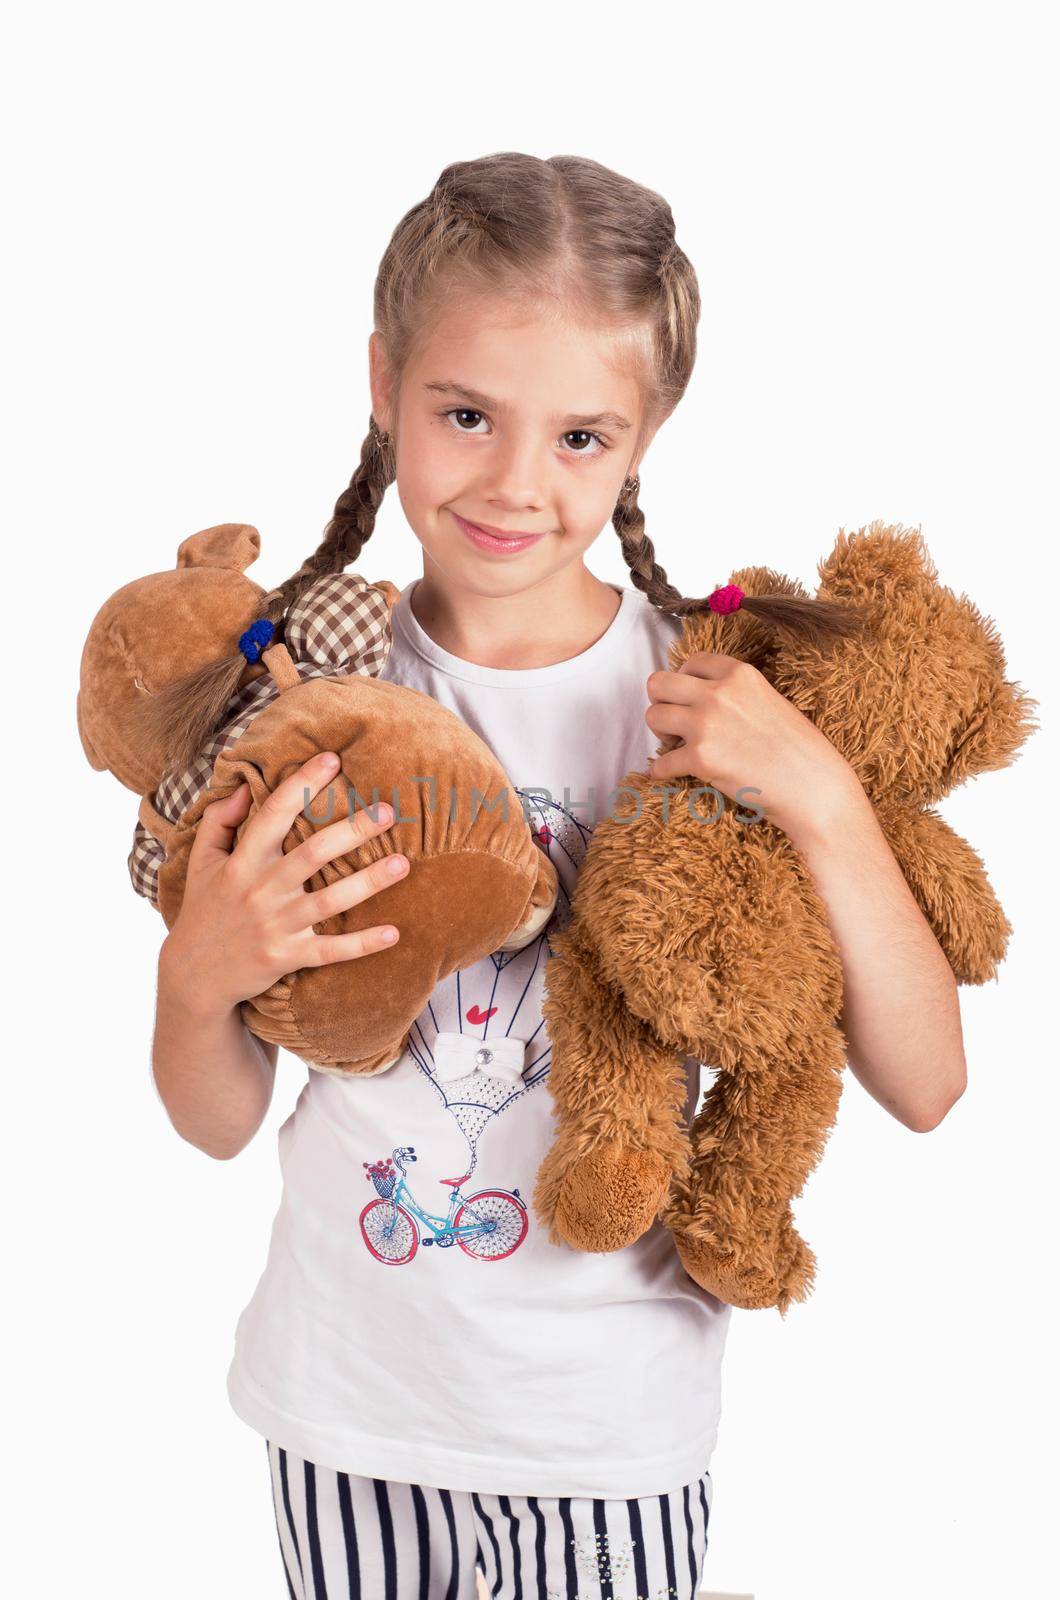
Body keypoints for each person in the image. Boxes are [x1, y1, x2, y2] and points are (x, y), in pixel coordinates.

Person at [150, 152, 967, 1600]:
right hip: (344, 1408)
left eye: (580, 437)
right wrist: (201, 967)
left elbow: (924, 1081)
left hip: (608, 1432)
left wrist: (825, 801)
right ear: (383, 381)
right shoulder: (309, 699)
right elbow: (217, 1120)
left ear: (646, 436)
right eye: (465, 415)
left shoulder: (710, 705)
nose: (516, 483)